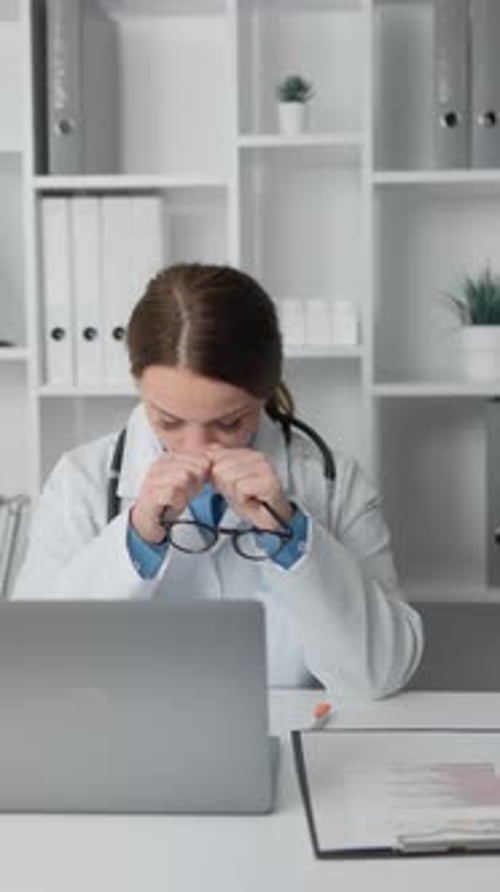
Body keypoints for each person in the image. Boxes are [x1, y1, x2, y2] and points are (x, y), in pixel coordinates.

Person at [13, 263, 423, 696]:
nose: (197, 448)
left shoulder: (332, 482)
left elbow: (381, 672)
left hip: (296, 742)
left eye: (229, 422)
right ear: (138, 386)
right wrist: (134, 539)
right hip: (125, 745)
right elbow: (35, 662)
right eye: (168, 421)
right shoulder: (83, 482)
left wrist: (288, 537)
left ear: (265, 391)